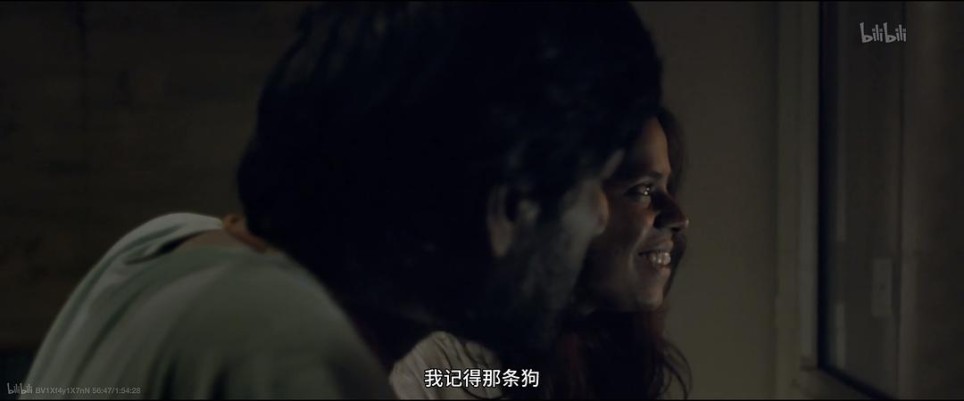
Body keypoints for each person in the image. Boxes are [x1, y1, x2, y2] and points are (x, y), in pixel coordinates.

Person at [22, 2, 663, 399]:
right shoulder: (295, 361)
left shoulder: (164, 248)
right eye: (594, 182)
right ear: (509, 207)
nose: (598, 216)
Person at [391, 108, 691, 399]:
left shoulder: (603, 357)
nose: (679, 217)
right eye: (642, 190)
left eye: (668, 187)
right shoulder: (435, 368)